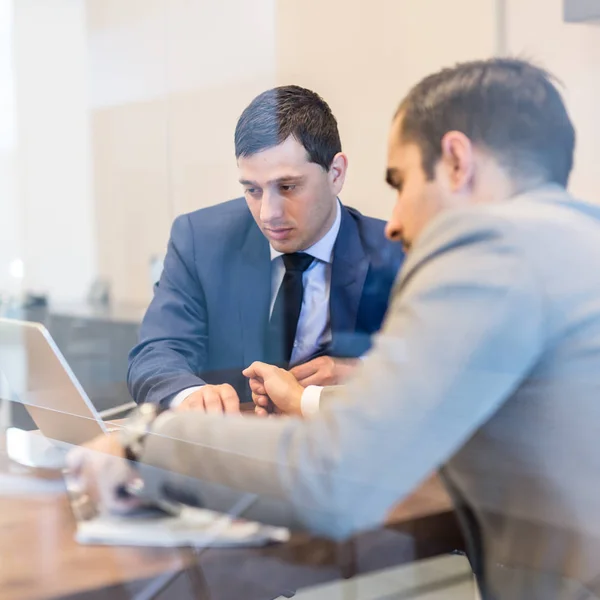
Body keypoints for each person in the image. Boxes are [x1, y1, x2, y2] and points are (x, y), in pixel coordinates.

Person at [72, 58, 600, 599]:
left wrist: (147, 443)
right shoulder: (581, 239)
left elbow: (333, 475)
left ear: (457, 161)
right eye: (253, 190)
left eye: (400, 182)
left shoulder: (489, 253)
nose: (394, 220)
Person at [127, 85, 403, 413]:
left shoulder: (395, 251)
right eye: (253, 189)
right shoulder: (200, 240)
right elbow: (156, 352)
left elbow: (438, 367)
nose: (268, 213)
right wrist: (188, 395)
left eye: (287, 187)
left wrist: (365, 374)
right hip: (233, 448)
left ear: (336, 174)